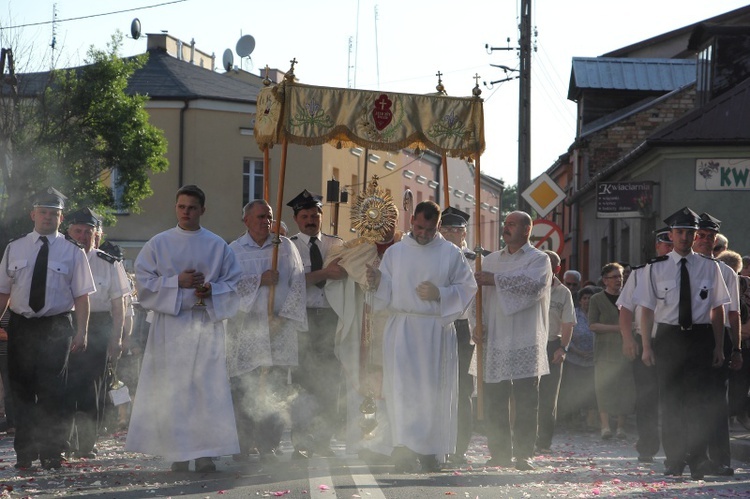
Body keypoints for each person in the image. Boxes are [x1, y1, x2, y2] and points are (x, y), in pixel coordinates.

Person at [125, 185, 243, 473]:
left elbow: (235, 285)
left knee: (206, 389)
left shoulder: (218, 246)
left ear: (203, 210)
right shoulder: (158, 243)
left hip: (206, 324)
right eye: (181, 207)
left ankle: (205, 454)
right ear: (175, 208)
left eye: (192, 207)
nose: (186, 212)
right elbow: (142, 285)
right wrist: (176, 282)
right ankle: (178, 452)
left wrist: (210, 288)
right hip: (171, 326)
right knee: (175, 389)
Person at [367, 200, 476, 473]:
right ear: (412, 219)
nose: (423, 234)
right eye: (419, 227)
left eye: (429, 229)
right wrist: (377, 282)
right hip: (402, 328)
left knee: (432, 392)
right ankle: (402, 448)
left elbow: (467, 288)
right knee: (401, 389)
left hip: (434, 331)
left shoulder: (451, 254)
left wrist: (440, 293)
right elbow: (387, 290)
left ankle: (429, 452)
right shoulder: (396, 252)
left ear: (438, 225)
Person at [0, 187, 95, 470]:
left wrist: (82, 331)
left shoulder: (72, 251)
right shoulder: (15, 248)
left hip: (56, 326)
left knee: (54, 391)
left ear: (61, 218)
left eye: (54, 214)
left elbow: (82, 296)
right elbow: (4, 292)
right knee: (21, 390)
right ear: (33, 214)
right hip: (22, 326)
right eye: (43, 212)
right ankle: (25, 453)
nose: (48, 218)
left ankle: (53, 451)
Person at [634, 207, 730, 480]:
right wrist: (648, 346)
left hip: (700, 337)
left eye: (690, 233)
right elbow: (647, 309)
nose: (685, 238)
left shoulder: (710, 267)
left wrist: (719, 346)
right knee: (672, 400)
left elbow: (718, 309)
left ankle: (699, 459)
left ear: (695, 235)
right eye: (680, 232)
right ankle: (674, 460)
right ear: (671, 235)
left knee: (697, 402)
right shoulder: (655, 268)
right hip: (668, 336)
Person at [325, 178, 400, 460]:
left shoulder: (406, 249)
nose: (384, 225)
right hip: (363, 322)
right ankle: (360, 442)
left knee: (390, 380)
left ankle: (388, 443)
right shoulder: (355, 249)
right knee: (362, 375)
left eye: (388, 217)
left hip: (393, 323)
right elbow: (334, 267)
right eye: (378, 218)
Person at [227, 200, 307, 463]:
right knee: (244, 389)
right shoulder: (233, 251)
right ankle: (243, 441)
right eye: (261, 216)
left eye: (269, 217)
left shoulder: (284, 247)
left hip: (278, 329)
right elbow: (228, 290)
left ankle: (269, 443)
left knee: (273, 389)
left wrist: (282, 320)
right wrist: (259, 280)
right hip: (247, 332)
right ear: (246, 220)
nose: (266, 221)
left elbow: (298, 285)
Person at [472, 211, 551, 471]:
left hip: (526, 338)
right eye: (505, 224)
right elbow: (479, 298)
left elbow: (533, 287)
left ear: (527, 230)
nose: (506, 228)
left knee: (527, 399)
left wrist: (495, 280)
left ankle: (524, 453)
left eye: (512, 224)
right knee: (495, 398)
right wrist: (478, 323)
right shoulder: (491, 260)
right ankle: (500, 452)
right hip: (496, 337)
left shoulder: (539, 260)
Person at [65, 208, 130, 459]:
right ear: (68, 232)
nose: (82, 236)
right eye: (78, 231)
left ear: (97, 236)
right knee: (65, 385)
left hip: (99, 327)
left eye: (88, 232)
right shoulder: (61, 257)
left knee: (91, 387)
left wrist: (117, 338)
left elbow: (118, 304)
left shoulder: (109, 262)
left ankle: (87, 443)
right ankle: (65, 441)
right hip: (66, 323)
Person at [287, 189, 346, 459]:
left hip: (331, 318)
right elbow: (290, 281)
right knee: (303, 381)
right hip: (303, 319)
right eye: (305, 215)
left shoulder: (336, 244)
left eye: (315, 215)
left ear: (322, 217)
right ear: (297, 219)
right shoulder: (288, 247)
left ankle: (324, 440)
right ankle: (301, 439)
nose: (311, 220)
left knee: (329, 381)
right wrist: (324, 274)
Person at [617, 226, 673, 463]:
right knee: (646, 397)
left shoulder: (688, 270)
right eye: (665, 244)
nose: (669, 248)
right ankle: (648, 446)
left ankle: (675, 449)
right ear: (657, 246)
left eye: (672, 243)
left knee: (673, 397)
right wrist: (628, 339)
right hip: (644, 339)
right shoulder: (641, 273)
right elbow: (626, 309)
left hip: (674, 340)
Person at [693, 213, 742, 477]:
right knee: (689, 400)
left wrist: (736, 348)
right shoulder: (680, 267)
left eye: (710, 237)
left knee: (715, 402)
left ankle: (720, 459)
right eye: (700, 235)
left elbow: (733, 313)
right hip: (688, 338)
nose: (705, 241)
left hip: (717, 338)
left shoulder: (725, 272)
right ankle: (692, 457)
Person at [438, 206, 477, 464]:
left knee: (463, 389)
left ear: (465, 232)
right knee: (436, 386)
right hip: (437, 325)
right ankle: (436, 443)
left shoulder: (476, 259)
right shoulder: (433, 256)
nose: (452, 234)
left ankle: (459, 446)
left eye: (457, 230)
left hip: (464, 328)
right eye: (447, 229)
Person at [588, 263, 635, 440]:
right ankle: (605, 426)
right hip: (604, 352)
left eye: (620, 276)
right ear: (605, 280)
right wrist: (620, 328)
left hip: (626, 350)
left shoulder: (629, 298)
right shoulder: (597, 299)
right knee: (604, 388)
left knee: (625, 389)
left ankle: (621, 427)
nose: (618, 279)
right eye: (614, 276)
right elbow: (593, 325)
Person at [536, 250, 575, 453]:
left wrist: (563, 348)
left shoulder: (563, 292)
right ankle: (524, 437)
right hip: (531, 344)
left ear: (557, 268)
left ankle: (543, 441)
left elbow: (568, 323)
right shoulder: (531, 286)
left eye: (548, 264)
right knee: (527, 394)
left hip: (552, 345)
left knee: (549, 396)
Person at [558, 286, 598, 430]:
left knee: (591, 390)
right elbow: (566, 333)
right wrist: (577, 351)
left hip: (593, 359)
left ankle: (591, 420)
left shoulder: (597, 314)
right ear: (580, 301)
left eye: (590, 298)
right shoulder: (574, 314)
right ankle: (573, 419)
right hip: (575, 359)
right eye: (584, 298)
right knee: (574, 389)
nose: (587, 301)